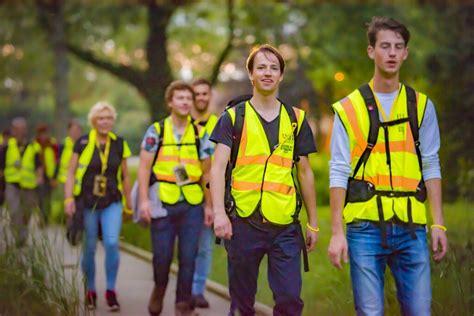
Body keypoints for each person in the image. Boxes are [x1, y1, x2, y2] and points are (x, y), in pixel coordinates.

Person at [327, 16, 448, 316]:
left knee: (420, 312)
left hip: (412, 229)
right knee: (370, 313)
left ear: (406, 53)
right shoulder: (349, 108)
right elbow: (338, 171)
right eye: (384, 46)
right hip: (364, 229)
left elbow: (431, 165)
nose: (392, 53)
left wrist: (438, 223)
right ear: (371, 51)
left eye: (398, 47)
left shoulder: (421, 106)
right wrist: (336, 232)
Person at [211, 44, 319, 315]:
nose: (267, 73)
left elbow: (305, 172)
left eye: (274, 68)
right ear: (251, 74)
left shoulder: (296, 119)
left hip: (284, 225)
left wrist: (314, 223)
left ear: (281, 75)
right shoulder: (233, 118)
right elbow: (217, 167)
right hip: (243, 222)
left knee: (289, 299)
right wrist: (219, 214)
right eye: (261, 67)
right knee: (242, 302)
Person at [138, 80, 213, 316]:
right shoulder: (156, 131)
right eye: (180, 98)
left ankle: (183, 305)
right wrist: (143, 201)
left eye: (188, 99)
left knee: (189, 256)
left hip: (192, 202)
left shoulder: (201, 134)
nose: (185, 102)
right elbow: (143, 167)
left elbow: (207, 172)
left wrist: (210, 205)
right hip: (162, 200)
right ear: (170, 102)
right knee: (162, 257)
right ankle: (159, 289)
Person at [64, 102, 132, 311]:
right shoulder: (82, 143)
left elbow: (126, 175)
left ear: (113, 120)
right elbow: (71, 172)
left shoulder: (119, 143)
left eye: (108, 118)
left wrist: (129, 204)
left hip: (112, 201)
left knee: (112, 243)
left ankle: (111, 290)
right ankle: (90, 290)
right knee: (90, 247)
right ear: (93, 121)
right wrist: (68, 199)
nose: (105, 122)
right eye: (101, 118)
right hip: (87, 202)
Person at [190, 78, 218, 308]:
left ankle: (197, 290)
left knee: (205, 247)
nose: (201, 98)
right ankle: (185, 289)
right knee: (186, 246)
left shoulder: (219, 124)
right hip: (184, 195)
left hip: (211, 194)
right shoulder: (180, 124)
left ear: (210, 96)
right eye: (196, 94)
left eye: (204, 94)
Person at [0, 117, 42, 246]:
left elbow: (38, 165)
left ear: (26, 130)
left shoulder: (33, 146)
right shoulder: (6, 147)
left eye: (22, 129)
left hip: (29, 185)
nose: (20, 131)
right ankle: (18, 236)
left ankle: (23, 235)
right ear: (13, 130)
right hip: (12, 184)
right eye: (17, 129)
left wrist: (39, 177)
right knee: (14, 210)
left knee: (26, 213)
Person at [35, 123, 57, 226]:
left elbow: (56, 161)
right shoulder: (35, 144)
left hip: (50, 176)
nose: (44, 136)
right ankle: (42, 218)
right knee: (41, 198)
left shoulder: (52, 145)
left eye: (45, 133)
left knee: (48, 198)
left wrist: (54, 177)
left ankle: (46, 218)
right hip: (39, 176)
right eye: (41, 134)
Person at [56, 119, 82, 184]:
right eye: (73, 130)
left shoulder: (84, 145)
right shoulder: (63, 144)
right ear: (68, 131)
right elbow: (57, 162)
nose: (75, 133)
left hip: (78, 182)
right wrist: (54, 177)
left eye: (77, 130)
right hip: (63, 181)